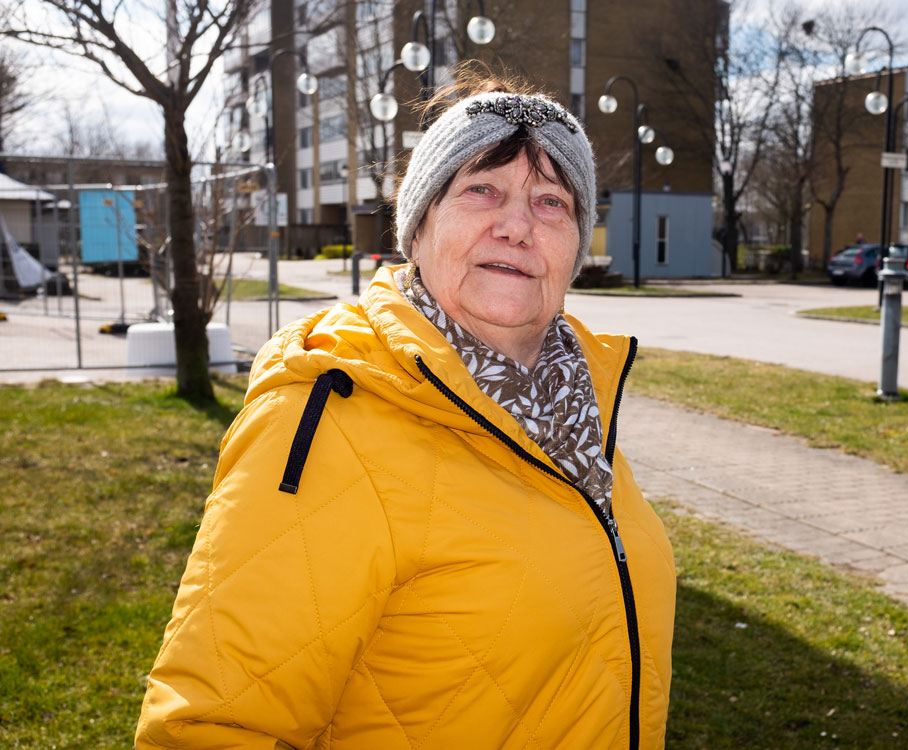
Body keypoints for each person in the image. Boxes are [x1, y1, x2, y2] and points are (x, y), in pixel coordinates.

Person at [135, 77, 677, 749]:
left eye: (551, 201)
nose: (517, 225)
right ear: (418, 226)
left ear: (575, 242)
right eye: (482, 189)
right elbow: (212, 725)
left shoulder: (578, 404)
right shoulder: (330, 412)